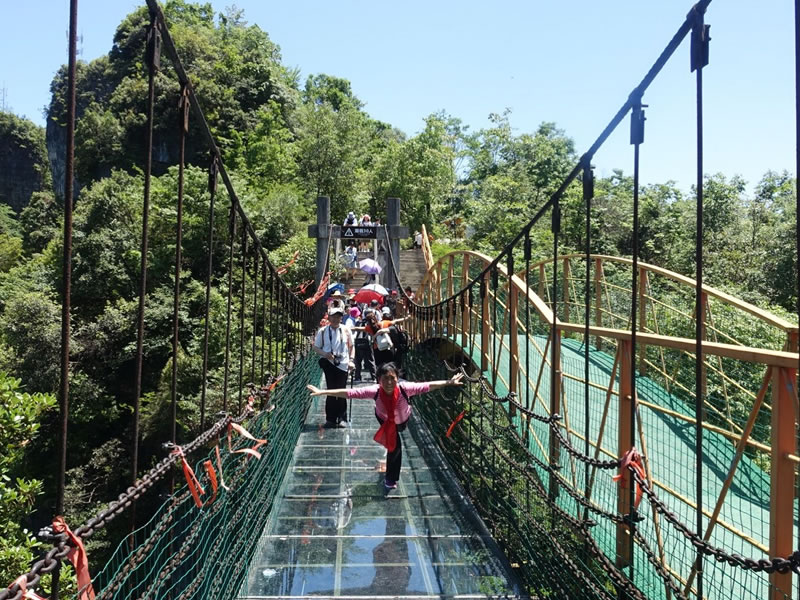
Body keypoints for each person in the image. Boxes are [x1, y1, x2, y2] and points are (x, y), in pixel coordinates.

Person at [307, 362, 464, 489]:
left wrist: (449, 382)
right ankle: (391, 479)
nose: (389, 383)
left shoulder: (405, 388)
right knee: (394, 447)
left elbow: (427, 386)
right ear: (379, 380)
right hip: (384, 419)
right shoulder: (375, 391)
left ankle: (391, 468)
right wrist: (323, 392)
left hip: (403, 419)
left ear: (397, 378)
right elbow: (349, 393)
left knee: (395, 440)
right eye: (385, 379)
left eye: (392, 378)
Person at [312, 305, 355, 428]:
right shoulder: (323, 331)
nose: (336, 319)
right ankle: (330, 419)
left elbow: (351, 346)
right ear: (329, 318)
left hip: (343, 363)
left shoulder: (346, 330)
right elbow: (315, 347)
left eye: (338, 317)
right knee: (330, 390)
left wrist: (351, 360)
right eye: (333, 317)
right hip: (329, 363)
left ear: (341, 318)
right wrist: (325, 354)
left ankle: (342, 418)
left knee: (342, 390)